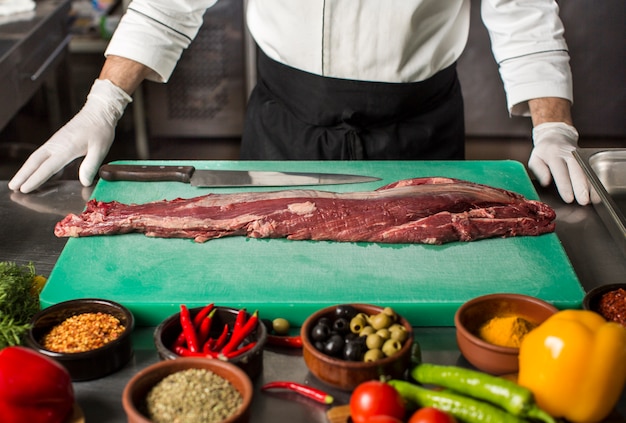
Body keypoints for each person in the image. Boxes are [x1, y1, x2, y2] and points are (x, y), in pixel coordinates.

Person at [8, 0, 590, 205]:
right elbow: (166, 6)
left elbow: (525, 13)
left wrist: (554, 128)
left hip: (419, 128)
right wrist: (102, 103)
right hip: (284, 123)